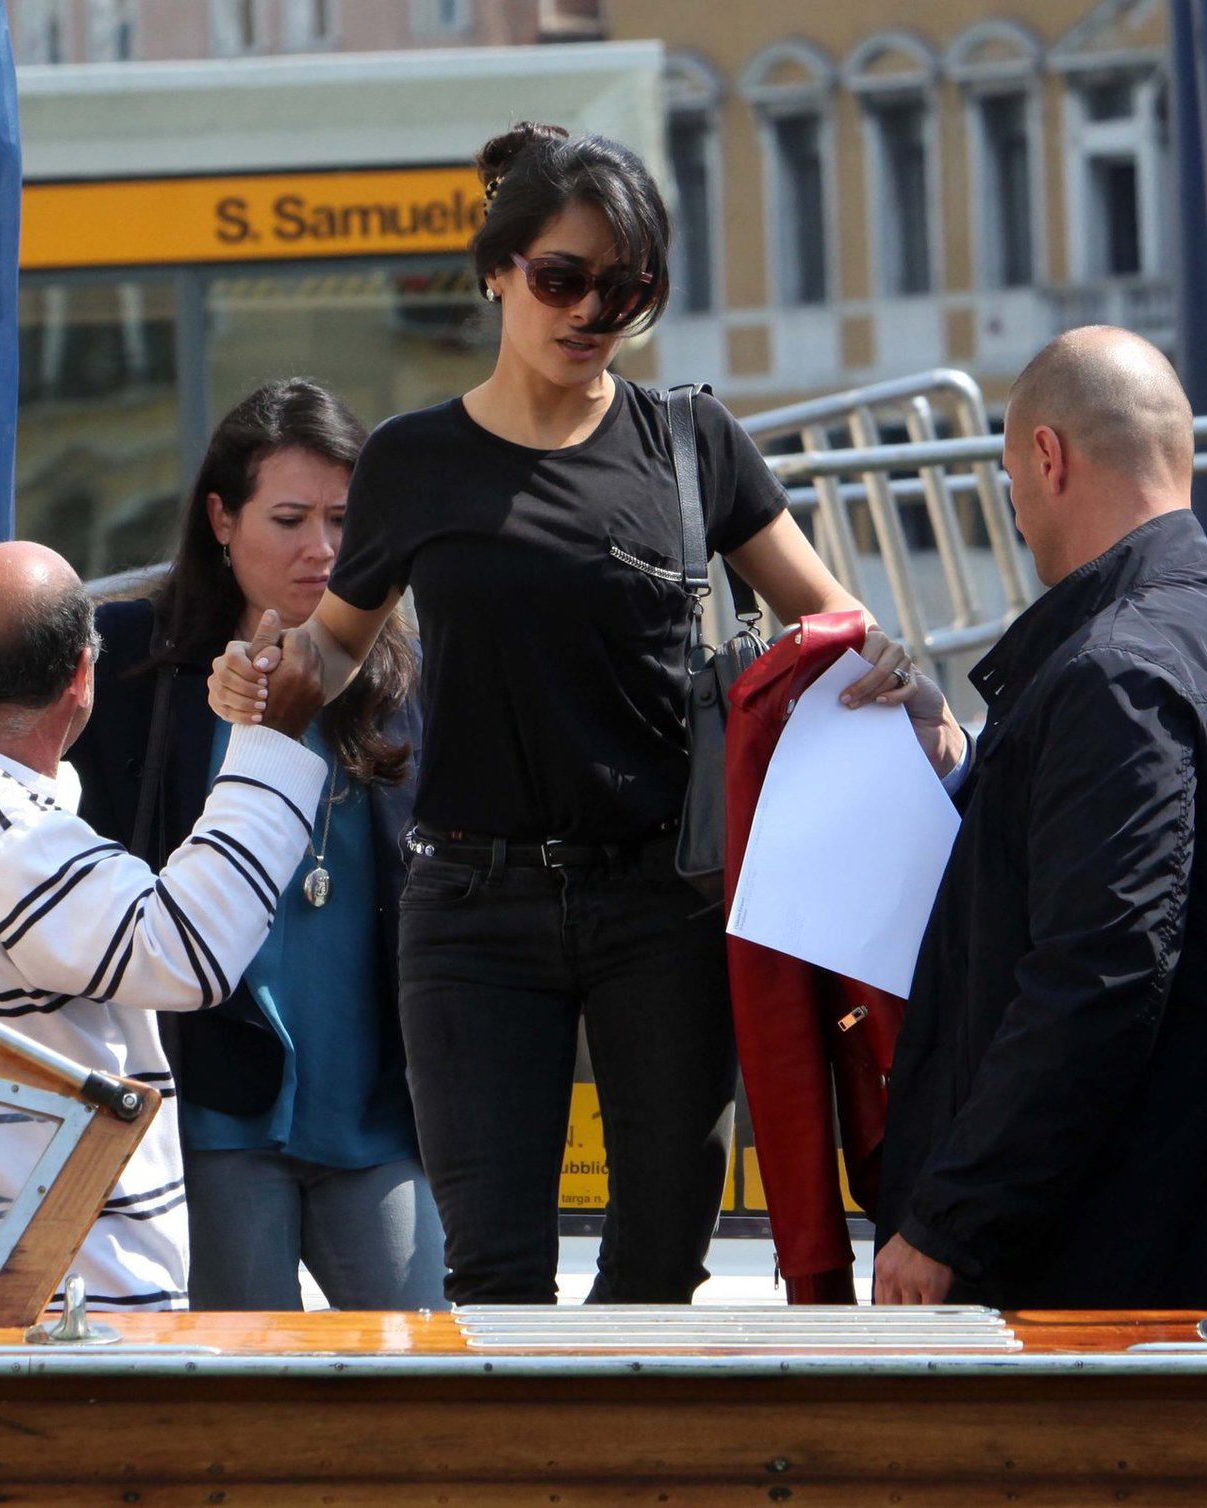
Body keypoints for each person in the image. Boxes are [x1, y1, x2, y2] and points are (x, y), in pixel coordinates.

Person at [214, 121, 969, 1306]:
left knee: (663, 1254)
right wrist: (263, 681)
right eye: (563, 279)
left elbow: (837, 624)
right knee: (498, 1272)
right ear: (496, 272)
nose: (592, 312)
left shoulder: (690, 441)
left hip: (662, 898)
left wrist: (905, 680)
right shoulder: (415, 460)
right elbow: (335, 650)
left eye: (629, 290)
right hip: (470, 903)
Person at [0, 380, 446, 1312]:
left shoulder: (397, 672)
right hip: (212, 1090)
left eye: (342, 520)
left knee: (418, 1347)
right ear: (221, 521)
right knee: (245, 1387)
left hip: (366, 1089)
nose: (320, 548)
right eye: (288, 517)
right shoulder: (132, 651)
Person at [872, 326, 1207, 1311]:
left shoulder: (1108, 674)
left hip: (1100, 1263)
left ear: (1048, 457)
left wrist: (948, 1218)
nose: (1020, 515)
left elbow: (1096, 978)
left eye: (1011, 481)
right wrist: (963, 760)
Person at [0, 540, 326, 1310]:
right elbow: (185, 952)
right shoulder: (5, 826)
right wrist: (269, 741)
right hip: (73, 1299)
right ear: (80, 678)